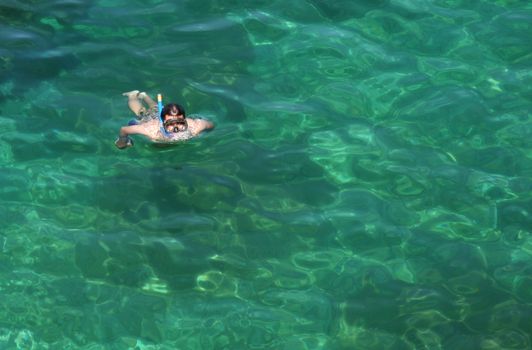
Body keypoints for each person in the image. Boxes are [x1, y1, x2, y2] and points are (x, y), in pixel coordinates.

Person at [115, 90, 214, 149]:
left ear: (185, 119)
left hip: (162, 114)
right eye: (170, 124)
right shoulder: (151, 129)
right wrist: (123, 141)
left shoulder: (195, 126)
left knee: (157, 108)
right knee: (141, 113)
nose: (176, 128)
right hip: (149, 119)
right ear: (163, 122)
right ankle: (133, 95)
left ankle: (145, 95)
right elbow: (124, 129)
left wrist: (201, 135)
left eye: (180, 122)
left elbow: (210, 125)